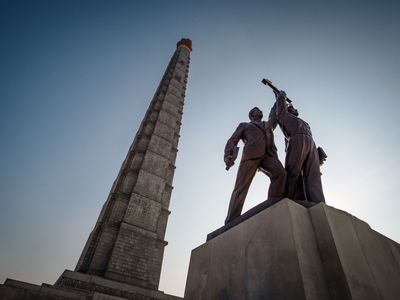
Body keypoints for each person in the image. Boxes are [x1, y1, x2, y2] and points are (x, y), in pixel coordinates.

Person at [224, 107, 286, 224]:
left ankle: (274, 202)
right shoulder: (245, 125)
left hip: (268, 155)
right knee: (241, 187)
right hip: (250, 156)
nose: (259, 110)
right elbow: (232, 140)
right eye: (256, 109)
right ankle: (231, 220)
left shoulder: (268, 124)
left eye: (260, 109)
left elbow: (274, 114)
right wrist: (228, 155)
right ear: (251, 115)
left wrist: (278, 98)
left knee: (280, 173)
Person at [274, 91, 325, 203]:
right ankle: (289, 200)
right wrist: (280, 97)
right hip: (297, 139)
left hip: (311, 143)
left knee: (314, 174)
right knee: (293, 172)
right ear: (288, 110)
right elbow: (280, 112)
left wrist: (317, 151)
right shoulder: (285, 116)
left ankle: (318, 203)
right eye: (291, 107)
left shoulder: (304, 122)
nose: (295, 108)